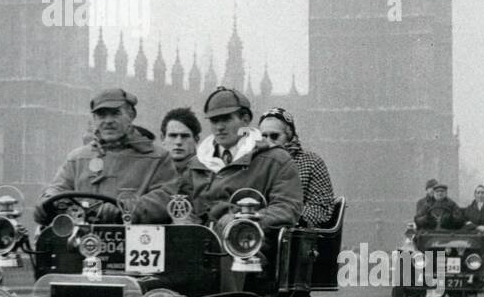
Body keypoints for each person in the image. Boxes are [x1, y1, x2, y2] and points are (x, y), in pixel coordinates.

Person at [134, 87, 303, 235]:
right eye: (214, 120)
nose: (219, 126)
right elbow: (181, 201)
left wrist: (242, 220)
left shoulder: (276, 160)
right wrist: (183, 220)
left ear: (245, 120)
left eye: (226, 119)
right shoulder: (197, 163)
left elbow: (287, 208)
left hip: (248, 247)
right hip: (198, 245)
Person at [37, 87, 175, 220]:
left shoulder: (158, 158)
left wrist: (126, 209)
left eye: (115, 113)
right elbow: (58, 189)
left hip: (137, 239)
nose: (108, 121)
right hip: (83, 238)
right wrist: (46, 203)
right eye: (101, 115)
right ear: (94, 119)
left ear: (131, 116)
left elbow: (166, 197)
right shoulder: (77, 158)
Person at [257, 106, 335, 227]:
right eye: (264, 136)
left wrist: (279, 216)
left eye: (274, 136)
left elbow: (320, 209)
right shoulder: (252, 164)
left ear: (289, 136)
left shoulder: (311, 163)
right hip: (254, 232)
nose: (268, 142)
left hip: (294, 235)